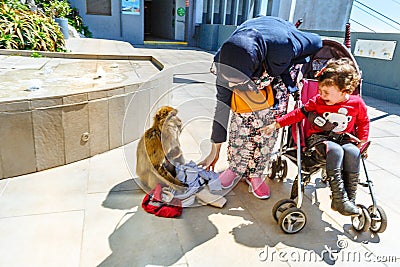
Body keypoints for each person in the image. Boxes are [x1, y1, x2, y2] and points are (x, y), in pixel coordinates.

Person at [199, 16, 322, 199]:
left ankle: (255, 173)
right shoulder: (224, 61)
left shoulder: (284, 45)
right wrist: (214, 150)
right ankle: (235, 168)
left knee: (269, 124)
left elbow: (317, 41)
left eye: (238, 82)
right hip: (254, 59)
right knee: (241, 118)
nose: (233, 86)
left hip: (280, 65)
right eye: (230, 82)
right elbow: (222, 107)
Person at [261, 57, 369, 215]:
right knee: (336, 151)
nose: (321, 94)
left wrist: (362, 141)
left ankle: (348, 200)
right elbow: (298, 114)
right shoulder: (317, 101)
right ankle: (339, 198)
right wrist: (276, 124)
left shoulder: (356, 103)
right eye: (320, 90)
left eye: (326, 92)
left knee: (353, 152)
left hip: (344, 138)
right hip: (319, 139)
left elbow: (363, 122)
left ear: (344, 92)